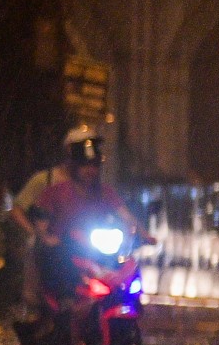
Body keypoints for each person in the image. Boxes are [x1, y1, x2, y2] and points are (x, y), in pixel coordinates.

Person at [25, 125, 146, 323]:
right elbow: (41, 222)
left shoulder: (105, 192)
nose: (91, 171)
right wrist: (47, 237)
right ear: (74, 166)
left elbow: (124, 215)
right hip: (65, 253)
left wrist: (142, 232)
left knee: (128, 266)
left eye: (95, 166)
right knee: (59, 280)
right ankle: (61, 308)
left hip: (97, 253)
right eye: (86, 166)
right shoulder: (56, 191)